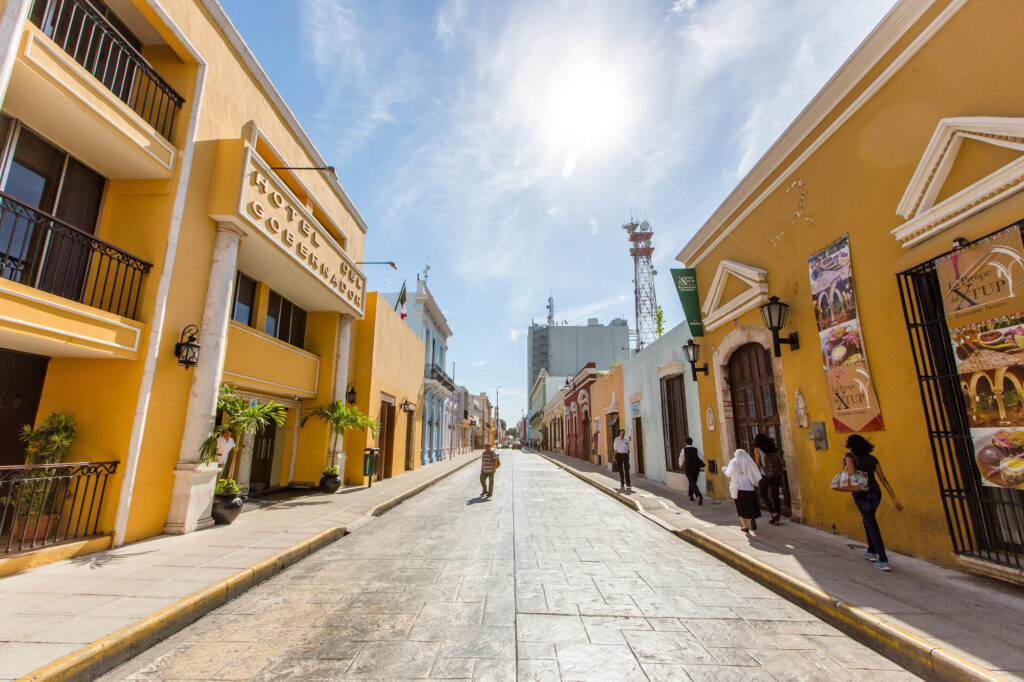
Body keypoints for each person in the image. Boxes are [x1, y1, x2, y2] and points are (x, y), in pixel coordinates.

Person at [844, 434, 903, 571]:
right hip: (876, 493)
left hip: (861, 494)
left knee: (871, 523)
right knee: (868, 519)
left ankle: (882, 558)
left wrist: (844, 465)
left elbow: (850, 471)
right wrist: (894, 497)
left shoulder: (850, 456)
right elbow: (883, 479)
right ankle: (871, 550)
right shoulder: (872, 459)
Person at [724, 448, 762, 532]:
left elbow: (728, 473)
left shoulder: (734, 462)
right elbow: (754, 472)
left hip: (738, 488)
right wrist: (755, 483)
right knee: (751, 505)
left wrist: (724, 470)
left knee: (740, 507)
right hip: (749, 487)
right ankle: (752, 519)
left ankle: (745, 526)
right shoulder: (748, 461)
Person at [753, 433, 784, 525]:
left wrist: (756, 475)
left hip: (765, 475)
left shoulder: (757, 450)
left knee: (763, 494)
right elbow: (781, 462)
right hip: (776, 474)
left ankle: (773, 512)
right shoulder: (773, 448)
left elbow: (758, 463)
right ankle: (777, 519)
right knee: (776, 496)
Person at [679, 437, 704, 505]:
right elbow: (702, 457)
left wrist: (680, 465)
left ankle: (698, 495)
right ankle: (691, 496)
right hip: (696, 468)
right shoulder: (696, 450)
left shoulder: (683, 450)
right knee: (693, 482)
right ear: (692, 442)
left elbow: (681, 458)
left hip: (688, 468)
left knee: (692, 482)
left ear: (685, 443)